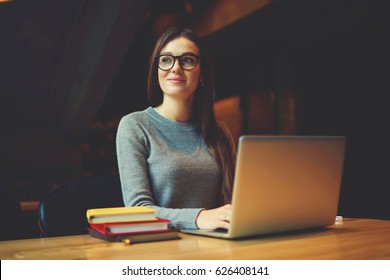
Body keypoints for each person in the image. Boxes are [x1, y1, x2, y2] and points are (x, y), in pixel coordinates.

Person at [116, 26, 236, 231]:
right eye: (166, 59)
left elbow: (235, 201)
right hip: (161, 250)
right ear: (157, 71)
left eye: (187, 60)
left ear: (203, 73)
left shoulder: (220, 132)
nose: (175, 67)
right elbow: (137, 211)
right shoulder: (135, 126)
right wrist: (197, 218)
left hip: (216, 244)